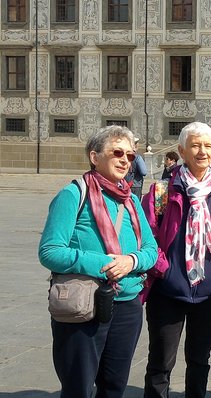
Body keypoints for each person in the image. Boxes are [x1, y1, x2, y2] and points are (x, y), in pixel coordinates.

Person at [38, 125, 158, 398]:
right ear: (95, 157)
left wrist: (131, 260)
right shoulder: (72, 195)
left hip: (127, 307)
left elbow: (151, 249)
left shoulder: (131, 201)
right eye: (117, 152)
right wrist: (103, 263)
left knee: (114, 387)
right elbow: (50, 251)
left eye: (130, 155)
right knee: (78, 388)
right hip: (84, 305)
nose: (125, 160)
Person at [140, 122, 211, 398]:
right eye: (195, 145)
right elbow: (146, 235)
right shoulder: (162, 190)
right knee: (161, 361)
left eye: (208, 146)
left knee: (199, 360)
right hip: (168, 291)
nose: (202, 151)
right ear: (182, 151)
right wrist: (164, 269)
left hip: (209, 293)